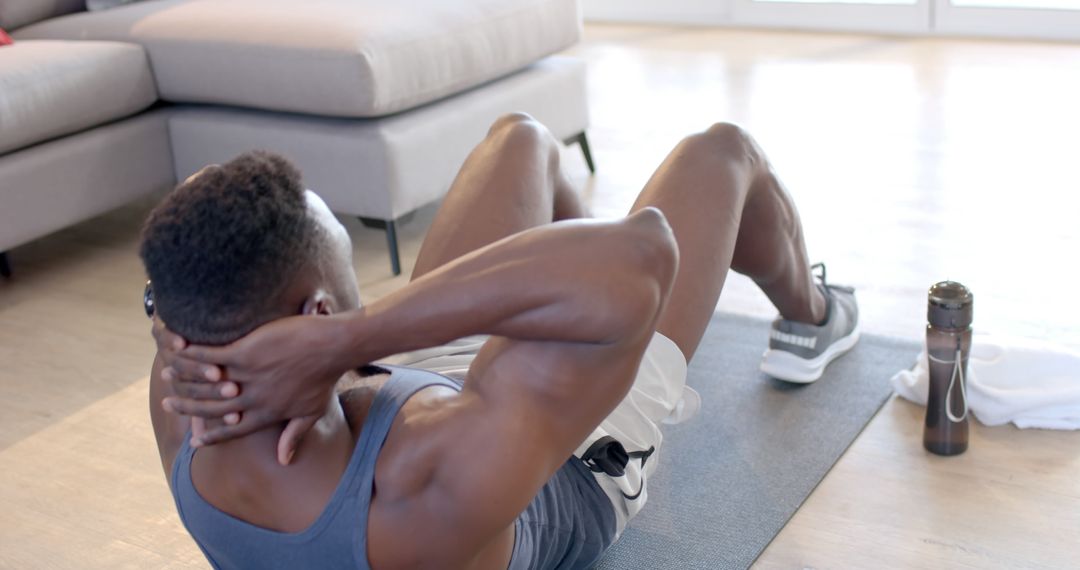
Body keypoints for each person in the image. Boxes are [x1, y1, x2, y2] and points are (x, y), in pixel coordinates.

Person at [143, 114, 858, 570]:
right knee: (721, 151)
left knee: (521, 137)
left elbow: (194, 223)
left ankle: (561, 286)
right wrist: (348, 339)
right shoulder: (420, 486)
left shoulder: (179, 404)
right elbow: (643, 255)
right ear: (318, 314)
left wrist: (338, 346)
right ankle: (815, 316)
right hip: (574, 462)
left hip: (412, 386)